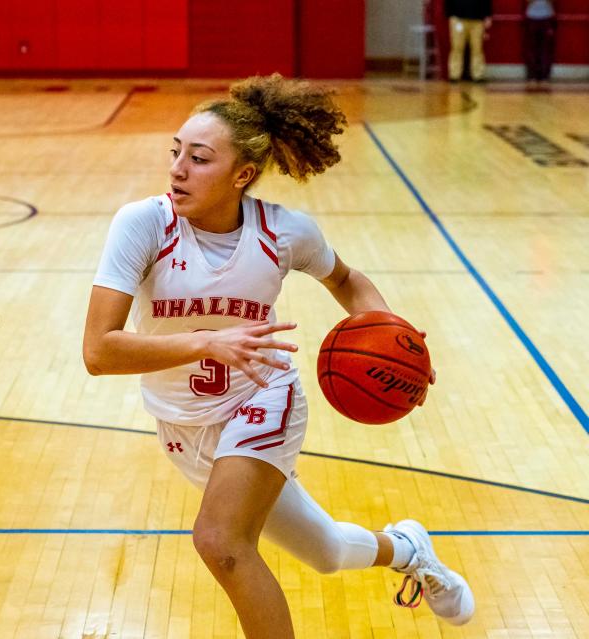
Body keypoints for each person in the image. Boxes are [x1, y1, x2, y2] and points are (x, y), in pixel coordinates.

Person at [82, 75, 474, 637]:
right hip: (183, 422)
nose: (177, 169)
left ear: (242, 174)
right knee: (327, 550)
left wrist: (394, 336)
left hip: (263, 397)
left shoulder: (284, 233)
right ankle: (409, 550)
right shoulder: (143, 224)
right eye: (175, 153)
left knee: (221, 542)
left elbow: (347, 280)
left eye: (198, 158)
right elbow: (99, 351)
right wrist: (205, 341)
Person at [446, 0, 493, 82]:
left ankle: (478, 75)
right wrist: (450, 15)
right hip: (458, 18)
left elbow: (487, 1)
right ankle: (454, 75)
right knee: (457, 47)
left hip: (478, 19)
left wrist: (488, 15)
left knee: (477, 48)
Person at [524, 0, 556, 82]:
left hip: (547, 16)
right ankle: (532, 75)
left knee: (546, 48)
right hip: (532, 16)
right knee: (531, 47)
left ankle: (544, 75)